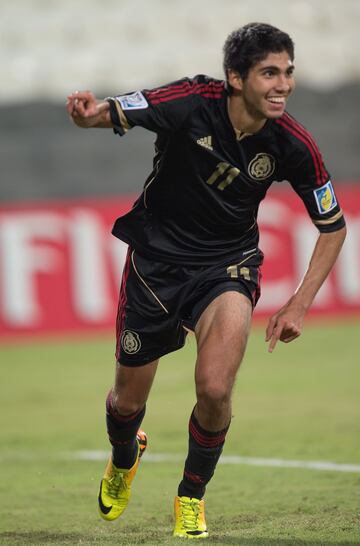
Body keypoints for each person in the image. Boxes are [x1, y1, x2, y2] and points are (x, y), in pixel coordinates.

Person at [66, 22, 346, 539]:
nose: (282, 84)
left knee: (216, 387)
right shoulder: (191, 101)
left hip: (227, 267)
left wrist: (299, 305)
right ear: (236, 79)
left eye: (288, 72)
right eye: (269, 73)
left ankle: (190, 497)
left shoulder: (292, 143)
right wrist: (89, 118)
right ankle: (125, 454)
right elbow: (121, 108)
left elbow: (333, 226)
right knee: (126, 401)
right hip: (155, 266)